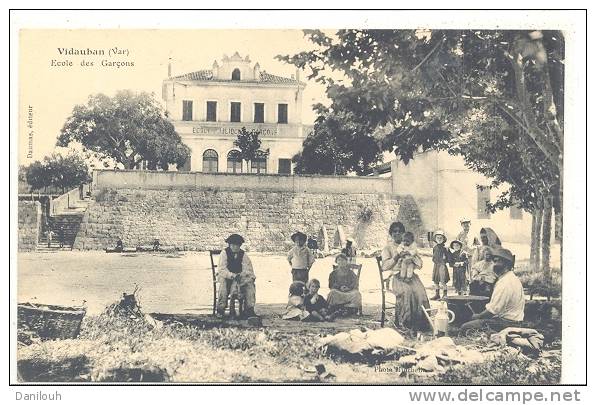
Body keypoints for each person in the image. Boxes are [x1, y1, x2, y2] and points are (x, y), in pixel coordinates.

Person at [460, 247, 525, 334]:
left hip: (508, 323)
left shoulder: (505, 282)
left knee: (465, 327)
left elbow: (493, 310)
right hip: (513, 321)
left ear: (507, 264)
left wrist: (478, 316)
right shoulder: (510, 278)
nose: (495, 265)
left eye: (499, 261)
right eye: (494, 261)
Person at [381, 221, 431, 330]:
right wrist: (396, 257)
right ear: (391, 233)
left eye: (400, 231)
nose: (397, 233)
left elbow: (420, 264)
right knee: (407, 291)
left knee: (419, 291)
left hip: (410, 275)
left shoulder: (410, 245)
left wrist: (412, 257)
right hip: (395, 277)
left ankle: (420, 323)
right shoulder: (388, 248)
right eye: (394, 231)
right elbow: (384, 267)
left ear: (404, 233)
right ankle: (405, 322)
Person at [216, 234, 257, 318]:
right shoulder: (224, 253)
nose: (235, 247)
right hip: (227, 277)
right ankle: (221, 309)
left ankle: (249, 309)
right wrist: (231, 275)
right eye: (233, 245)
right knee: (223, 286)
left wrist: (241, 275)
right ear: (229, 245)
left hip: (239, 277)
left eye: (237, 245)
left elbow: (247, 268)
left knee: (250, 284)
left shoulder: (243, 255)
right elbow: (222, 269)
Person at [469, 227, 500, 297]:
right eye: (481, 237)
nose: (483, 239)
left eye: (485, 237)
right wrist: (478, 276)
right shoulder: (478, 249)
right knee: (474, 285)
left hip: (491, 274)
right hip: (479, 274)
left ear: (490, 237)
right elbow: (474, 265)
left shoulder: (496, 249)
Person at [431, 230, 450, 300]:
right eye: (437, 238)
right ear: (435, 239)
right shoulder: (435, 248)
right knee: (435, 280)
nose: (439, 239)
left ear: (443, 239)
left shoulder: (445, 248)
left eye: (441, 238)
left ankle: (445, 295)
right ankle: (437, 294)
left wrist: (445, 258)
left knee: (443, 281)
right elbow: (433, 256)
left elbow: (448, 258)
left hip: (442, 266)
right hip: (436, 265)